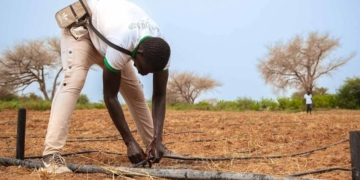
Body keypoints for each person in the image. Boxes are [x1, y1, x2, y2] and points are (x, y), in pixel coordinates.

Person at [41, 0, 172, 173]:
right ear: (139, 53)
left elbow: (159, 96)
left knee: (135, 92)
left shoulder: (160, 50)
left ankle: (152, 146)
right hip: (82, 30)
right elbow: (110, 96)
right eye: (144, 69)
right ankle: (51, 156)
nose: (144, 74)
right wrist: (130, 142)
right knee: (74, 80)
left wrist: (158, 139)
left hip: (108, 38)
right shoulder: (121, 42)